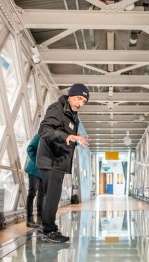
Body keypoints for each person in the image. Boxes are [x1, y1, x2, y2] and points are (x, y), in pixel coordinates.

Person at [36, 83, 89, 243]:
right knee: (52, 196)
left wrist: (74, 135)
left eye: (84, 102)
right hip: (51, 160)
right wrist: (66, 137)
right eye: (79, 98)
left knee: (50, 196)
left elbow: (64, 131)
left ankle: (45, 227)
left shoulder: (73, 115)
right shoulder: (57, 108)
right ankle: (49, 231)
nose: (80, 104)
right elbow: (44, 129)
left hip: (58, 161)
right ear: (70, 95)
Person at [24, 133, 44, 228]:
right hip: (34, 170)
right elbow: (30, 148)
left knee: (41, 195)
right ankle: (29, 219)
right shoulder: (39, 135)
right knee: (32, 193)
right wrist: (37, 162)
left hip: (44, 171)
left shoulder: (51, 136)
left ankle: (40, 219)